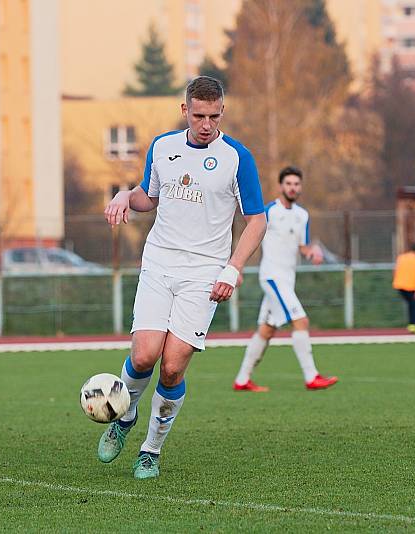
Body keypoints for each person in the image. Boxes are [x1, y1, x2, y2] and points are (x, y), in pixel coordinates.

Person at [101, 76, 267, 479]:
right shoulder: (163, 147)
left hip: (204, 273)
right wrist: (125, 195)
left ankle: (150, 450)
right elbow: (149, 197)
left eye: (213, 116)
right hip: (159, 263)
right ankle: (124, 418)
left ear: (222, 112)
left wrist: (233, 267)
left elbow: (257, 220)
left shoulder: (237, 157)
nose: (206, 123)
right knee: (143, 355)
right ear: (185, 111)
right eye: (198, 115)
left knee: (172, 368)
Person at [233, 166, 338, 393]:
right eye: (289, 183)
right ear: (281, 186)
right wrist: (237, 266)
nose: (293, 187)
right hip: (272, 277)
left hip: (287, 280)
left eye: (297, 184)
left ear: (300, 187)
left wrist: (313, 253)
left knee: (267, 330)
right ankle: (312, 377)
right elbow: (252, 235)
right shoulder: (268, 211)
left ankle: (242, 380)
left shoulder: (303, 215)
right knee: (301, 321)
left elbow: (303, 247)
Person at [393, 243, 415, 335]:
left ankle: (412, 325)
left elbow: (395, 270)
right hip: (411, 286)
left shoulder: (401, 257)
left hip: (399, 285)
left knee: (411, 304)